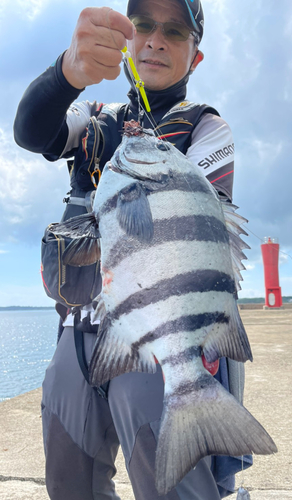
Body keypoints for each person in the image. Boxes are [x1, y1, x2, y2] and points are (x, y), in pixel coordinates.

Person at [14, 0, 252, 498]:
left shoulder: (206, 128)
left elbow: (208, 235)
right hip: (80, 332)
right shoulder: (96, 119)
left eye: (175, 31)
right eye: (143, 25)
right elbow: (32, 131)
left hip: (159, 341)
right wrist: (67, 73)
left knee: (171, 485)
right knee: (68, 479)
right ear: (128, 37)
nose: (155, 40)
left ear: (196, 56)